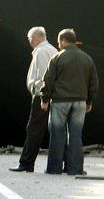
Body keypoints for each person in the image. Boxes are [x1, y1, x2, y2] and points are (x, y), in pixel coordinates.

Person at [40, 29, 99, 176]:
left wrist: (45, 99)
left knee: (57, 135)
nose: (58, 44)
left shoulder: (57, 58)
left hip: (60, 102)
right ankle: (75, 169)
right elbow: (94, 83)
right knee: (75, 135)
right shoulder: (87, 58)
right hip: (80, 102)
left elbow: (48, 80)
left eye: (59, 41)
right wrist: (90, 101)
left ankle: (54, 169)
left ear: (63, 41)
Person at [10, 27, 59, 172]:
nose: (29, 41)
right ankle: (63, 163)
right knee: (57, 129)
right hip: (51, 95)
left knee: (34, 130)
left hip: (42, 96)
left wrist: (42, 95)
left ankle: (26, 163)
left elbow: (45, 76)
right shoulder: (53, 50)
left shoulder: (42, 51)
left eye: (29, 38)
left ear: (36, 38)